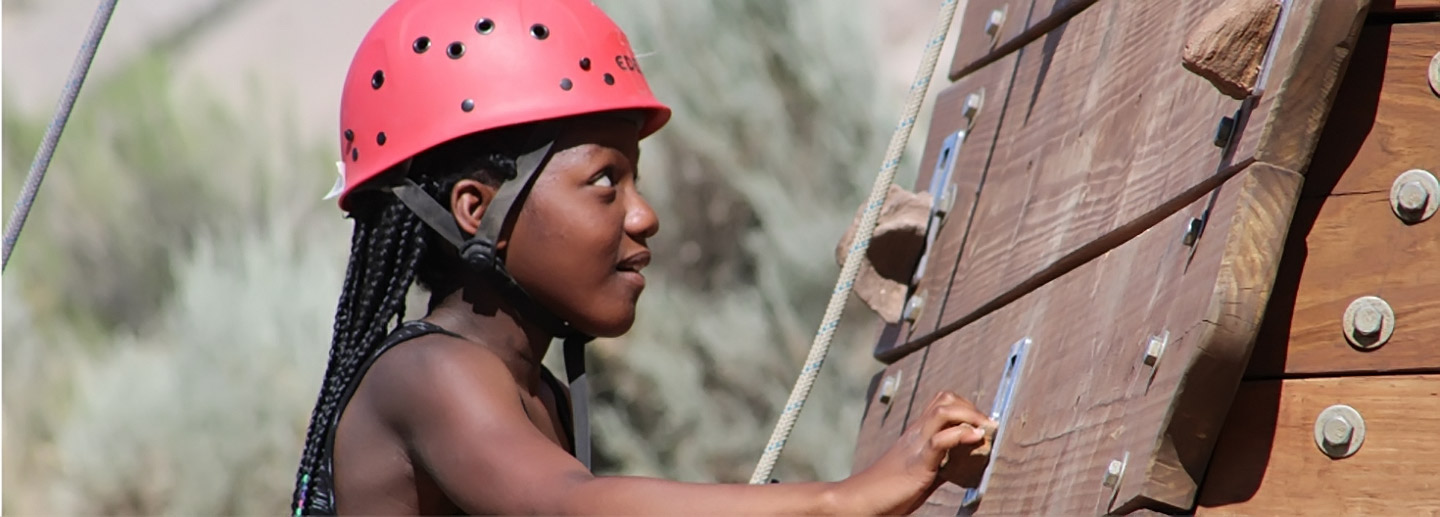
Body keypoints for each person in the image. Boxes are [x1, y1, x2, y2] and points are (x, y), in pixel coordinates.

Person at [291, 0, 994, 514]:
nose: (643, 214)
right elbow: (569, 505)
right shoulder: (426, 374)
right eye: (605, 181)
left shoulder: (540, 397)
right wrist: (845, 498)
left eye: (637, 177)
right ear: (480, 210)